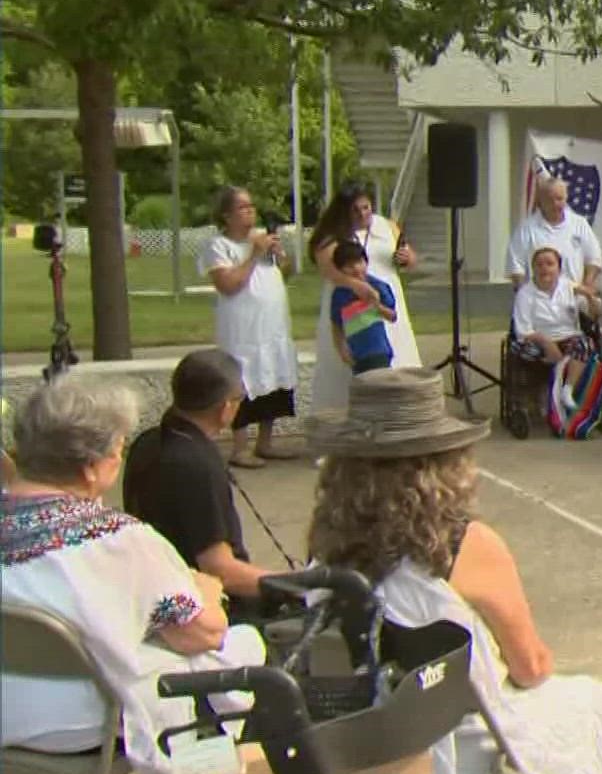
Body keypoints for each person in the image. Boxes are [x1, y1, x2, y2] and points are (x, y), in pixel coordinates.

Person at [305, 368, 602, 774]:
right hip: (466, 749)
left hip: (367, 736)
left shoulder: (327, 552)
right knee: (595, 703)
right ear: (444, 462)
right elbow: (531, 667)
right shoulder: (465, 545)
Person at [2, 376, 266, 774]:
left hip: (9, 714)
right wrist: (206, 589)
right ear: (89, 468)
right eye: (117, 450)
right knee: (242, 654)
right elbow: (200, 632)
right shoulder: (118, 542)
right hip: (82, 730)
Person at [124, 350, 274, 621]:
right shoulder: (195, 464)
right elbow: (219, 569)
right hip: (206, 609)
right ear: (226, 407)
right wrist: (295, 584)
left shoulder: (146, 443)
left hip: (157, 589)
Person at [197, 186, 300, 468]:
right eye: (242, 208)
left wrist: (279, 254)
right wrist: (254, 254)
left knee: (273, 378)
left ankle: (266, 443)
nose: (250, 212)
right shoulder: (218, 246)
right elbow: (228, 285)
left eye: (251, 206)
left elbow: (287, 272)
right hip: (242, 330)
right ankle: (240, 448)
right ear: (227, 215)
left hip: (272, 326)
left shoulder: (261, 240)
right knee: (242, 382)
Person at [308, 183, 419, 411]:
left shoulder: (387, 226)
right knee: (351, 364)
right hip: (350, 306)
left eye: (366, 208)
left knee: (395, 359)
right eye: (355, 210)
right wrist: (357, 286)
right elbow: (328, 270)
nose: (363, 214)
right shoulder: (330, 236)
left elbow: (411, 259)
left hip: (385, 300)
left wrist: (408, 259)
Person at [511, 247, 602, 387]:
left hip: (567, 338)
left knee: (584, 344)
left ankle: (568, 390)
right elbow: (523, 331)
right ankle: (546, 389)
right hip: (538, 340)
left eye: (549, 264)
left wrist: (589, 296)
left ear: (559, 269)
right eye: (539, 265)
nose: (544, 269)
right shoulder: (525, 294)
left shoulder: (568, 287)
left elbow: (594, 315)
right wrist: (548, 344)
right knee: (526, 350)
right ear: (533, 269)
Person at [507, 172, 602, 293]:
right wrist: (524, 293)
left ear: (566, 198)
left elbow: (594, 258)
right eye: (549, 200)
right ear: (540, 201)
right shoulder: (526, 228)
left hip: (574, 299)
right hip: (538, 300)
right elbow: (516, 265)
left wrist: (587, 287)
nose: (555, 204)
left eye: (559, 199)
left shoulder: (580, 224)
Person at [329, 242, 399, 375]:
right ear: (340, 269)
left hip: (378, 350)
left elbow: (392, 316)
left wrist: (376, 304)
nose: (356, 269)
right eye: (349, 266)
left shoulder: (378, 285)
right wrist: (341, 348)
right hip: (356, 352)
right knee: (364, 388)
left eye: (360, 262)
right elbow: (336, 324)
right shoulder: (340, 293)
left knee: (378, 385)